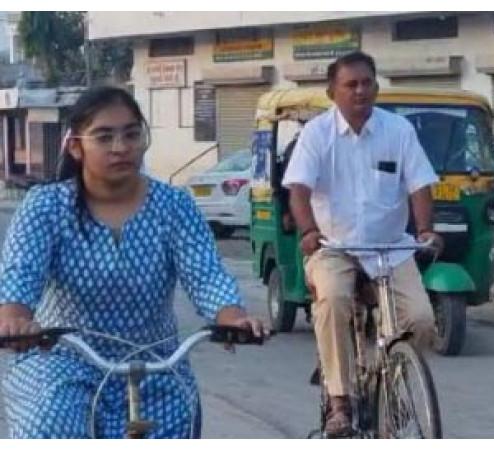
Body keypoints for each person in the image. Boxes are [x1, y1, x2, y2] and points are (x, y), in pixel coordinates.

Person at [0, 86, 266, 438]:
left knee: (177, 425)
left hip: (156, 364)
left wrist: (232, 317)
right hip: (61, 361)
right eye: (104, 136)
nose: (120, 147)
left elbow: (206, 273)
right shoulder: (45, 206)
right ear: (76, 146)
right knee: (48, 424)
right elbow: (21, 273)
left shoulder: (174, 206)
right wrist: (15, 322)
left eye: (131, 134)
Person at [282, 51, 443, 437]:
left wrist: (424, 229)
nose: (360, 91)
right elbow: (299, 190)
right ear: (332, 92)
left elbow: (419, 184)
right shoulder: (316, 134)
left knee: (421, 320)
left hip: (390, 247)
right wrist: (307, 231)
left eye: (367, 83)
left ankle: (395, 386)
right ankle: (340, 400)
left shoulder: (399, 130)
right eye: (350, 84)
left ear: (377, 87)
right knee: (333, 299)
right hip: (334, 245)